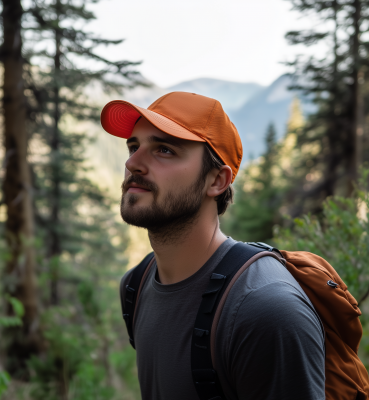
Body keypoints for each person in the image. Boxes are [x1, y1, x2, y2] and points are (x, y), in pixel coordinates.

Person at [101, 92, 325, 400]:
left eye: (164, 149)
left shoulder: (265, 311)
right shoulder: (135, 287)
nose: (132, 162)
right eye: (134, 146)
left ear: (217, 181)